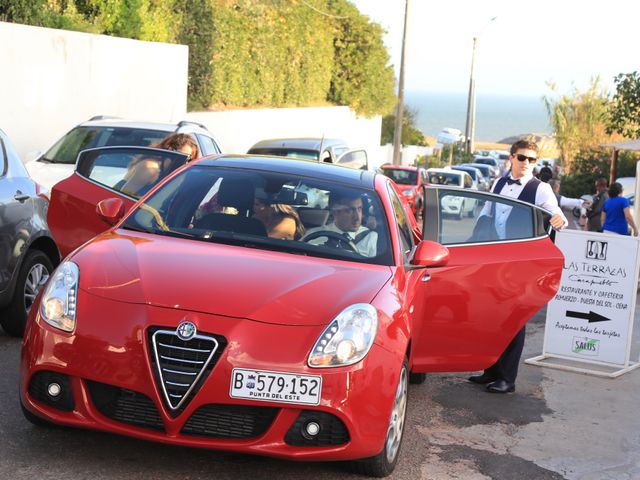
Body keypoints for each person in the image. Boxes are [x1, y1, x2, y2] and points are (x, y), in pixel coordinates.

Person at [469, 140, 567, 394]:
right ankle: (490, 369)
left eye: (532, 160)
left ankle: (507, 378)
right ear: (511, 158)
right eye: (522, 158)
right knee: (491, 316)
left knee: (514, 319)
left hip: (521, 265)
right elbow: (485, 214)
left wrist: (558, 219)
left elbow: (559, 216)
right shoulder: (499, 183)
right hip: (495, 261)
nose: (526, 163)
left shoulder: (541, 189)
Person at [303, 191, 377, 257]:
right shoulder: (313, 235)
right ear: (335, 212)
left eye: (359, 209)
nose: (357, 217)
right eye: (350, 210)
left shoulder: (371, 238)